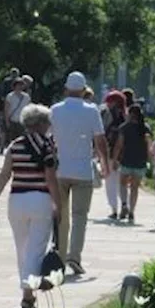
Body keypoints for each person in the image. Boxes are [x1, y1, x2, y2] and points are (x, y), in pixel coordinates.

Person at [0, 104, 59, 308]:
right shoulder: (47, 145)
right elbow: (50, 177)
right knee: (36, 249)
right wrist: (59, 204)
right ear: (39, 124)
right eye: (47, 122)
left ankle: (27, 295)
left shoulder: (14, 146)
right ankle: (28, 296)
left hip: (16, 200)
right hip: (40, 200)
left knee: (22, 250)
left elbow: (5, 174)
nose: (49, 126)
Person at [49, 71, 109, 276]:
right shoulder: (91, 111)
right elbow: (100, 141)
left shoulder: (55, 110)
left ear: (66, 88)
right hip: (83, 171)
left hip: (60, 170)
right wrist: (106, 163)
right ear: (84, 90)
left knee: (61, 216)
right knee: (80, 216)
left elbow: (48, 139)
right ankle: (74, 257)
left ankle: (60, 256)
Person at [112, 104, 152, 224]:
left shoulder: (124, 127)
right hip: (140, 161)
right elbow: (149, 145)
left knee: (122, 183)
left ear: (130, 114)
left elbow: (119, 145)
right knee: (135, 188)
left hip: (126, 160)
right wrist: (150, 160)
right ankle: (132, 211)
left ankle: (124, 204)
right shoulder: (145, 128)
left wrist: (114, 159)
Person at [100, 90, 127, 220]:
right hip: (125, 157)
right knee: (121, 183)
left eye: (109, 101)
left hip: (112, 155)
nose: (107, 104)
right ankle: (123, 206)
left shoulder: (109, 117)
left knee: (110, 182)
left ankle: (114, 209)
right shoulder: (127, 117)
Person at [3, 73, 32, 150]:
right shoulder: (10, 96)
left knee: (22, 139)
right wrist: (7, 121)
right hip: (13, 120)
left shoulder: (26, 97)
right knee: (13, 139)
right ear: (14, 86)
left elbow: (28, 109)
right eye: (18, 85)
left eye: (21, 85)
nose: (19, 87)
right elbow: (6, 109)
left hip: (22, 121)